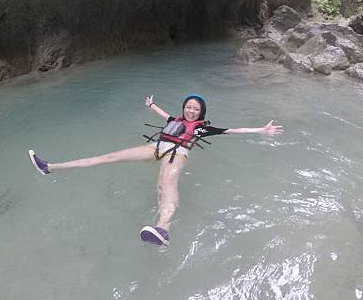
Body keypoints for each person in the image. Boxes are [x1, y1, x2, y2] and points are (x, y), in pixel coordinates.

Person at [28, 94, 282, 246]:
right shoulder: (175, 120)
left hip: (177, 154)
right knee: (109, 157)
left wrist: (261, 130)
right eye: (188, 106)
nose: (191, 110)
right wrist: (151, 105)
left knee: (165, 184)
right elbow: (164, 114)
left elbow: (232, 131)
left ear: (201, 112)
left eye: (196, 108)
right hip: (156, 147)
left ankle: (163, 229)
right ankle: (49, 167)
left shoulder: (202, 128)